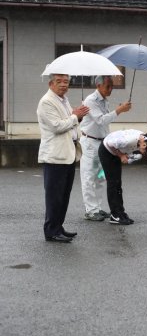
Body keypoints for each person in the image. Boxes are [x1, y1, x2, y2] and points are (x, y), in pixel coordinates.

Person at [37, 73, 89, 242]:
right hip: (55, 156)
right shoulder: (46, 101)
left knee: (64, 195)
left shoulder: (63, 100)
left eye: (66, 82)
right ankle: (51, 230)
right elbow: (57, 126)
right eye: (59, 82)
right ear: (51, 84)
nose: (63, 85)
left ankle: (58, 227)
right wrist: (75, 115)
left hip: (69, 153)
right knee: (54, 196)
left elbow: (70, 123)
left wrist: (78, 117)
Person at [79, 75, 132, 221]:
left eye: (112, 86)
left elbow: (104, 123)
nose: (111, 89)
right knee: (89, 176)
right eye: (108, 86)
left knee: (100, 177)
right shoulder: (91, 100)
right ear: (98, 86)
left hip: (102, 142)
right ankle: (90, 210)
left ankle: (97, 207)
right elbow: (101, 120)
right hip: (89, 142)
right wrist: (119, 110)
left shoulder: (104, 101)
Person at [98, 130, 147, 224]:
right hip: (106, 151)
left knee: (118, 184)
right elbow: (109, 143)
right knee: (112, 183)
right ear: (144, 145)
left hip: (115, 152)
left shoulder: (143, 139)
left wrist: (128, 156)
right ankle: (115, 215)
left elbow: (128, 151)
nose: (145, 154)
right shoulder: (128, 140)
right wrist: (121, 155)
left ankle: (121, 213)